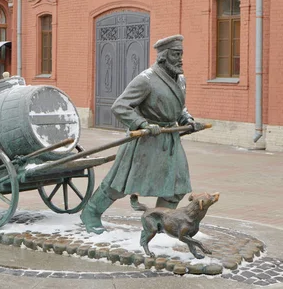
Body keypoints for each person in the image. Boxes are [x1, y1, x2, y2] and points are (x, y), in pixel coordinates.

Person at [80, 35, 205, 234]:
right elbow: (120, 106)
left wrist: (187, 120)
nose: (181, 59)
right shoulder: (146, 79)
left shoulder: (180, 80)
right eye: (176, 55)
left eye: (181, 54)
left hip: (169, 141)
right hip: (145, 141)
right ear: (164, 56)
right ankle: (91, 213)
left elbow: (179, 107)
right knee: (119, 185)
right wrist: (142, 123)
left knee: (177, 186)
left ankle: (161, 222)